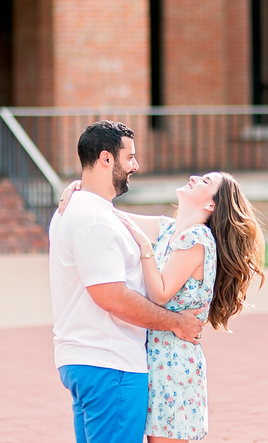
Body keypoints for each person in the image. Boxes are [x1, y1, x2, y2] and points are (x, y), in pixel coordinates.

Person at [60, 170, 266, 443]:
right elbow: (111, 217)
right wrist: (82, 193)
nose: (194, 177)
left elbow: (159, 294)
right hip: (154, 360)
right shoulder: (170, 229)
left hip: (174, 366)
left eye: (205, 181)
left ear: (210, 205)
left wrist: (145, 247)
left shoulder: (197, 239)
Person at [48, 120, 206, 443]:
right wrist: (176, 322)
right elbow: (112, 297)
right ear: (106, 159)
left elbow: (168, 229)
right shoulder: (95, 220)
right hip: (111, 365)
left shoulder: (85, 210)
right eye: (129, 157)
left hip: (88, 362)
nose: (136, 165)